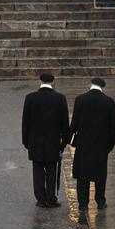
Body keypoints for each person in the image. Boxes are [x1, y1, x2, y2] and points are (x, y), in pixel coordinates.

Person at [68, 77, 115, 213]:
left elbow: (74, 124)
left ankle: (83, 204)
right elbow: (114, 127)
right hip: (101, 145)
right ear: (103, 86)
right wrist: (110, 145)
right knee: (100, 175)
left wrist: (71, 140)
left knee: (82, 176)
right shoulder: (108, 101)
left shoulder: (80, 99)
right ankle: (100, 201)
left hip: (83, 144)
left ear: (90, 85)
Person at [21, 72, 69, 208]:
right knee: (52, 170)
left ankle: (41, 199)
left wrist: (26, 141)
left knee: (37, 170)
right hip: (53, 141)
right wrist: (64, 142)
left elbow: (26, 122)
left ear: (40, 81)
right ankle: (51, 197)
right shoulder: (60, 98)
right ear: (53, 81)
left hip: (35, 141)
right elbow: (64, 123)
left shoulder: (30, 98)